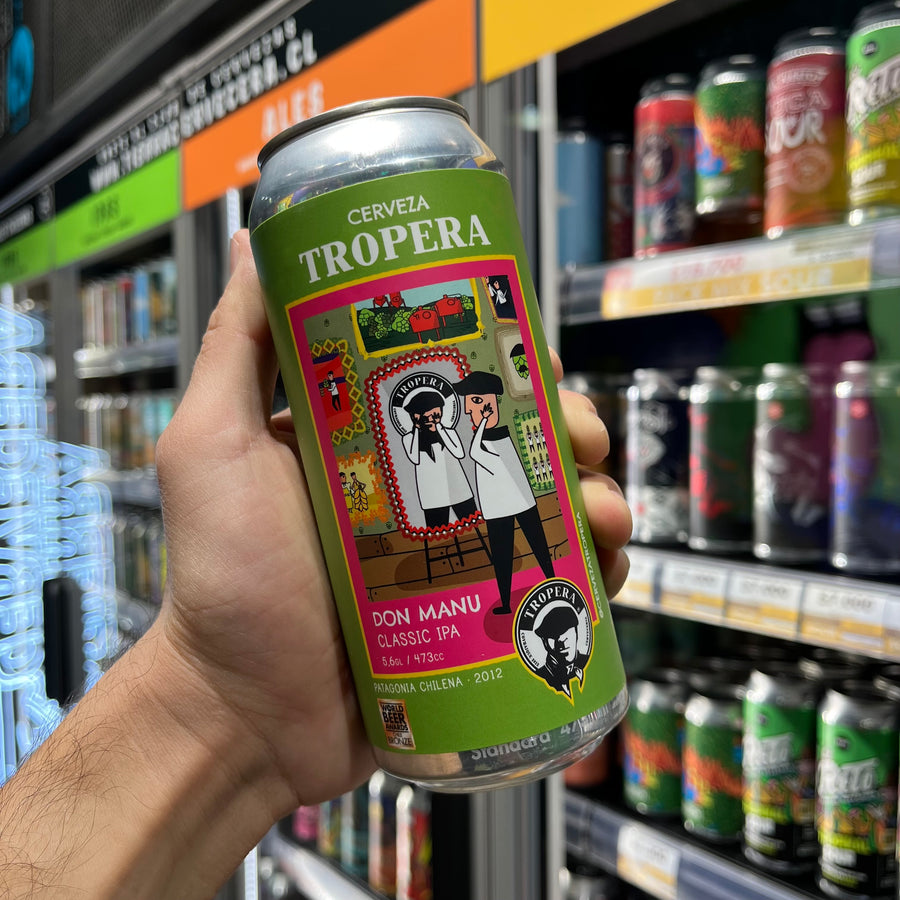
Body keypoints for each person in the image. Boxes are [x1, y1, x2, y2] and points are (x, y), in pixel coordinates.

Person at [0, 230, 632, 899]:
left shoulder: (467, 422)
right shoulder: (424, 431)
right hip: (426, 540)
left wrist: (216, 708)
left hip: (486, 501)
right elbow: (414, 448)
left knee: (535, 521)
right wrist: (219, 696)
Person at [454, 370, 554, 615]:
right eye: (469, 403)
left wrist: (481, 424)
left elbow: (475, 453)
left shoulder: (495, 439)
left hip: (518, 503)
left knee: (538, 546)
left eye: (475, 401)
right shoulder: (490, 438)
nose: (468, 410)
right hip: (499, 508)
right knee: (502, 555)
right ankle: (507, 603)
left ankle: (552, 581)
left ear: (491, 403)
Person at [399, 388, 477, 528]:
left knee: (475, 525)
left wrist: (439, 426)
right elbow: (414, 458)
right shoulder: (409, 438)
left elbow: (459, 453)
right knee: (437, 530)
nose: (431, 419)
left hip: (459, 489)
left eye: (436, 414)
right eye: (426, 415)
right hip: (432, 494)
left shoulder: (448, 432)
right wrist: (416, 428)